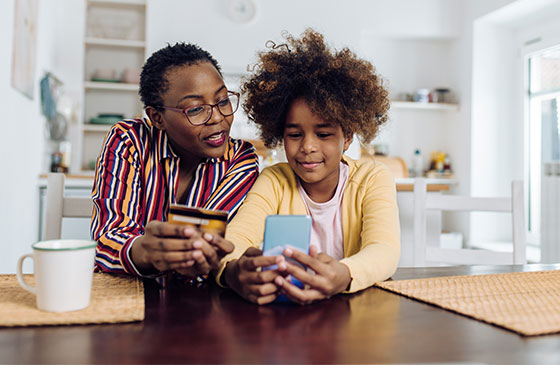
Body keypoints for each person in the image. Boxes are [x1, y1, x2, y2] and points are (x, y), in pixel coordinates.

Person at [216, 29, 401, 305]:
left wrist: (345, 274)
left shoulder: (372, 178)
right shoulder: (274, 180)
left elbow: (384, 250)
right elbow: (236, 239)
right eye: (294, 134)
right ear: (280, 134)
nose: (308, 147)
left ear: (347, 136)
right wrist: (233, 271)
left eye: (323, 134)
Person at [91, 43, 259, 278]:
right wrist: (144, 252)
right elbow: (106, 241)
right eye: (196, 109)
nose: (218, 118)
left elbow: (206, 248)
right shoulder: (129, 141)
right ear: (157, 118)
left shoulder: (240, 159)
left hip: (197, 304)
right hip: (125, 295)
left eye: (222, 101)